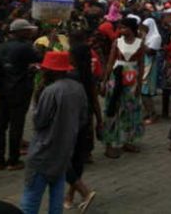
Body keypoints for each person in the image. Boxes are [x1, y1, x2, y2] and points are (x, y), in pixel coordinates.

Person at [21, 51, 88, 214]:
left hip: (43, 152)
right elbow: (83, 118)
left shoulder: (50, 91)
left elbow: (39, 121)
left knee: (31, 199)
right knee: (56, 200)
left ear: (51, 71)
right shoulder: (78, 88)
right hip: (64, 152)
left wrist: (36, 101)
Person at [0, 19, 40, 171]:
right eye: (27, 30)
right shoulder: (25, 47)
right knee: (16, 125)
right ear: (19, 32)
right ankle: (13, 160)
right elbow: (41, 58)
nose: (29, 32)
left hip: (3, 89)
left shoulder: (1, 47)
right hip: (19, 89)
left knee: (1, 125)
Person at [63, 32, 101, 211]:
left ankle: (79, 191)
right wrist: (99, 122)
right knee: (77, 159)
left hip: (70, 123)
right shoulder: (88, 76)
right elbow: (94, 101)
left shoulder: (70, 77)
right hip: (85, 122)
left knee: (64, 159)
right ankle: (71, 193)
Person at [102, 17, 145, 159]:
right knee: (112, 108)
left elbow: (141, 65)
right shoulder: (117, 42)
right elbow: (110, 63)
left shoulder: (140, 44)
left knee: (130, 110)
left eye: (124, 28)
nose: (121, 30)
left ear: (132, 29)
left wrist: (139, 83)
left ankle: (127, 140)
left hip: (132, 81)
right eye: (120, 28)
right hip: (116, 79)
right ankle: (109, 143)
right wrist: (104, 81)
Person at [140, 18, 162, 125]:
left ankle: (153, 114)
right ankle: (149, 112)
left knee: (146, 91)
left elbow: (150, 51)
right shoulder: (147, 37)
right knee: (142, 91)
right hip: (144, 64)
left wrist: (141, 42)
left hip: (150, 65)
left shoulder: (156, 37)